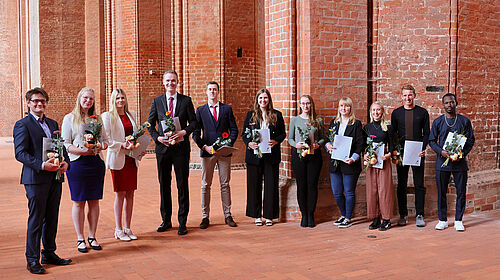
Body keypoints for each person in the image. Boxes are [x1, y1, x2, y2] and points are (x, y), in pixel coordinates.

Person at [13, 88, 72, 274]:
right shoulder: (23, 124)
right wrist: (41, 165)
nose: (40, 104)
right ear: (28, 103)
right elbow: (20, 153)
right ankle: (32, 259)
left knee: (52, 217)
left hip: (55, 177)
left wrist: (66, 163)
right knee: (36, 219)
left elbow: (60, 146)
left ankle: (49, 253)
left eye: (43, 101)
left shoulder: (53, 122)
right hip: (36, 178)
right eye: (36, 101)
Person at [148, 70, 197, 235]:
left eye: (173, 80)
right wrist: (157, 138)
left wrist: (184, 132)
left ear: (178, 82)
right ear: (163, 82)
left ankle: (182, 222)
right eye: (168, 80)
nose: (171, 83)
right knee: (164, 185)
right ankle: (166, 220)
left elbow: (194, 123)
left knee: (182, 184)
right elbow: (150, 124)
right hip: (163, 149)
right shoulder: (157, 101)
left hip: (181, 149)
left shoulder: (186, 101)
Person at [62, 87, 107, 253]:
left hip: (95, 163)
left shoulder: (97, 119)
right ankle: (80, 238)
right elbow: (65, 143)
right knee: (79, 202)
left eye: (91, 99)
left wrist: (99, 147)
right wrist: (82, 151)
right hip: (77, 164)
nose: (88, 101)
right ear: (79, 98)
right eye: (85, 98)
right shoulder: (70, 118)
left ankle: (92, 236)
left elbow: (104, 141)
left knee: (94, 201)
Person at [193, 81, 239, 229]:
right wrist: (204, 147)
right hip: (208, 152)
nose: (212, 92)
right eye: (210, 89)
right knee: (205, 185)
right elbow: (195, 133)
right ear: (206, 92)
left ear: (218, 92)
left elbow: (234, 130)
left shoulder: (227, 109)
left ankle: (228, 214)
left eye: (215, 89)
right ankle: (205, 216)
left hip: (224, 153)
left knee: (225, 184)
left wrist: (228, 143)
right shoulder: (200, 110)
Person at [429, 93, 475, 231]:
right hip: (442, 163)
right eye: (447, 103)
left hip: (459, 163)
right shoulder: (438, 122)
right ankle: (442, 220)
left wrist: (462, 154)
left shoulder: (464, 121)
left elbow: (471, 140)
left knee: (461, 191)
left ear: (456, 103)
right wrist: (441, 152)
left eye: (452, 102)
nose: (449, 105)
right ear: (443, 105)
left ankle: (458, 220)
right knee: (441, 192)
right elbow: (431, 140)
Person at [101, 89, 141, 241]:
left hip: (131, 159)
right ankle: (118, 229)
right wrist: (123, 145)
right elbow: (108, 140)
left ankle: (127, 227)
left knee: (130, 193)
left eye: (122, 97)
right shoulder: (108, 116)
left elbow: (136, 134)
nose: (120, 100)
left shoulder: (131, 115)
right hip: (118, 158)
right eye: (117, 98)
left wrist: (139, 148)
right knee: (120, 193)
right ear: (113, 100)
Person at [242, 88, 286, 226]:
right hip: (254, 156)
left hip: (271, 156)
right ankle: (256, 215)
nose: (263, 101)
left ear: (269, 100)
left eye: (265, 98)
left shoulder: (277, 115)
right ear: (257, 100)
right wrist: (249, 143)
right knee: (253, 185)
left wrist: (276, 141)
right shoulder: (250, 115)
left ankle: (269, 216)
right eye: (260, 98)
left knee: (271, 185)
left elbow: (282, 133)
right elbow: (244, 134)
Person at [391, 85, 430, 227]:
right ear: (401, 96)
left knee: (419, 184)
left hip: (417, 152)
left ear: (414, 95)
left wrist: (423, 148)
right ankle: (403, 214)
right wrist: (395, 151)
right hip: (402, 154)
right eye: (405, 95)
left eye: (410, 95)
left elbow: (427, 133)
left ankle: (420, 214)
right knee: (401, 184)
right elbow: (393, 134)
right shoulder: (396, 113)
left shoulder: (422, 112)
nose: (407, 98)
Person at [326, 97, 363, 228]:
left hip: (349, 162)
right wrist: (328, 146)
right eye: (341, 106)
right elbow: (328, 139)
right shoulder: (334, 122)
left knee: (349, 192)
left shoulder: (356, 124)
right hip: (335, 162)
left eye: (346, 106)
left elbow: (360, 144)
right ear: (339, 108)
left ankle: (348, 217)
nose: (344, 109)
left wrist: (353, 158)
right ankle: (342, 215)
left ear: (350, 108)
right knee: (336, 191)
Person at [288, 95, 325, 227]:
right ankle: (303, 214)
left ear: (311, 105)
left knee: (312, 185)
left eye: (308, 103)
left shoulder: (317, 120)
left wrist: (317, 145)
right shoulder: (295, 120)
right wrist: (296, 145)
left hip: (314, 157)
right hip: (299, 156)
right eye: (303, 104)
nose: (305, 106)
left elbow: (322, 138)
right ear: (299, 105)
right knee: (301, 185)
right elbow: (290, 139)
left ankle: (311, 214)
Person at [364, 102, 394, 231]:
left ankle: (386, 219)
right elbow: (363, 145)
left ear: (382, 112)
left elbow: (393, 145)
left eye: (378, 110)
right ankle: (375, 218)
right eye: (373, 110)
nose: (376, 113)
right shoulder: (367, 127)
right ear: (371, 112)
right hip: (371, 163)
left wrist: (388, 155)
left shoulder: (388, 127)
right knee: (372, 190)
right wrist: (364, 155)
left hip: (383, 162)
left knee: (384, 190)